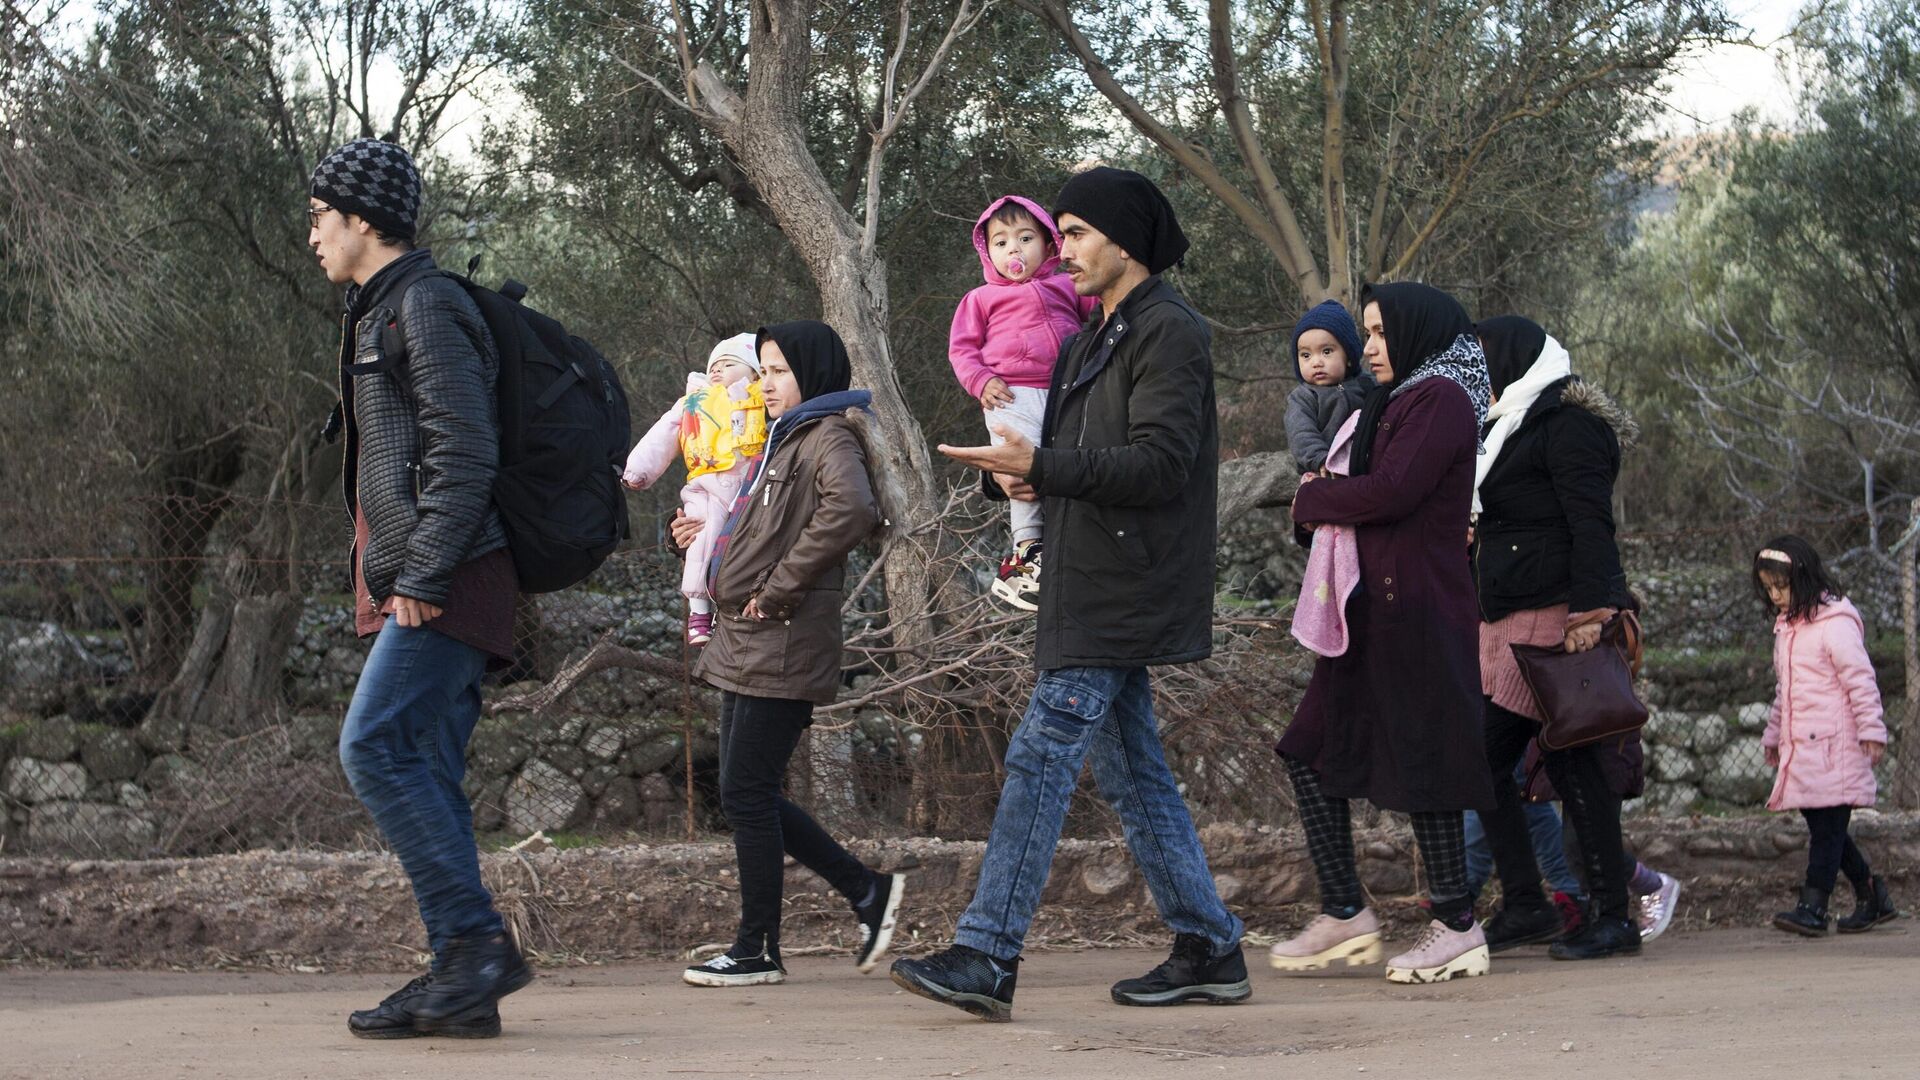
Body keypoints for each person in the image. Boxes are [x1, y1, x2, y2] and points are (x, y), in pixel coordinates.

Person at [892, 167, 1247, 1022]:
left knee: (1041, 756)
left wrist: (1039, 467)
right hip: (1087, 581)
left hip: (1123, 587)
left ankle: (986, 951)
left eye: (1077, 231)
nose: (1062, 247)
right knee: (1134, 775)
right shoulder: (1096, 334)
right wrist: (1009, 483)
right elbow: (1070, 458)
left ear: (1125, 239)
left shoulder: (1170, 332)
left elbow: (1161, 465)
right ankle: (1210, 945)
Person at [309, 139, 530, 1039]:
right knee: (426, 767)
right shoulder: (381, 309)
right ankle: (461, 980)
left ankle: (476, 945)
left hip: (450, 576)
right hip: (429, 578)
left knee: (373, 749)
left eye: (321, 217)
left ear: (363, 219)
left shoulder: (424, 306)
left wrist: (424, 571)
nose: (314, 236)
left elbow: (464, 451)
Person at [1268, 282, 1495, 985]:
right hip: (1369, 612)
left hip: (1418, 613)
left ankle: (1458, 926)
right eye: (1364, 332)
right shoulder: (1393, 399)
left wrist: (1311, 497)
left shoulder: (1441, 399)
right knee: (1308, 750)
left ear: (1417, 330)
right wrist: (1323, 500)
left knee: (1425, 768)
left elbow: (1393, 490)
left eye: (1379, 331)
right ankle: (1344, 910)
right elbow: (1364, 483)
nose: (1367, 347)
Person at [676, 320, 907, 986]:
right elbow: (758, 531)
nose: (766, 382)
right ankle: (865, 892)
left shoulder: (826, 435)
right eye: (763, 370)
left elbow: (852, 509)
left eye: (778, 370)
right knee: (745, 790)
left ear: (812, 372)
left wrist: (778, 591)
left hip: (782, 637)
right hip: (748, 637)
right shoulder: (785, 439)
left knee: (746, 792)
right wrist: (690, 537)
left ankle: (757, 949)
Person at [1468, 315, 1646, 961]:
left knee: (1565, 760)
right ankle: (1531, 905)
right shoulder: (1504, 424)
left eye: (1484, 355)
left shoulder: (1570, 423)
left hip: (1555, 614)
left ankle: (1606, 918)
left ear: (1518, 357)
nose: (1475, 368)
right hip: (1505, 613)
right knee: (1506, 761)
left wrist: (1593, 611)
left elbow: (1591, 522)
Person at [948, 195, 1098, 611]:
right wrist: (981, 380)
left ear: (1049, 244)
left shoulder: (1068, 285)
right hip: (1009, 394)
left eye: (1025, 237)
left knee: (1064, 465)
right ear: (987, 252)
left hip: (1063, 391)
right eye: (1000, 242)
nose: (1013, 249)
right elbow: (962, 350)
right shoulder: (979, 299)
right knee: (1022, 472)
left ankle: (1065, 550)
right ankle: (1027, 554)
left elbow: (1104, 305)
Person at [1753, 537, 1899, 935]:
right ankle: (1873, 896)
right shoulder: (1787, 629)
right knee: (1826, 829)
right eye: (1768, 588)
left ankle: (1813, 906)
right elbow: (1786, 690)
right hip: (1804, 748)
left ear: (1801, 579)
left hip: (1838, 747)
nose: (1775, 595)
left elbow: (1860, 680)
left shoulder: (1835, 624)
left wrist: (1872, 729)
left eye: (1780, 586)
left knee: (1828, 830)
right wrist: (1773, 736)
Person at [622, 333, 768, 645]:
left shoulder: (764, 400)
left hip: (750, 486)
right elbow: (662, 433)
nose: (717, 369)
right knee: (701, 538)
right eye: (714, 364)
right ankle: (699, 611)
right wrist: (636, 471)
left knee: (745, 544)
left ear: (755, 373)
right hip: (706, 486)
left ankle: (737, 608)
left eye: (729, 364)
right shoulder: (692, 403)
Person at [1284, 299, 1372, 474]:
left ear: (1348, 357)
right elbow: (1300, 434)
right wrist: (1320, 459)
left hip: (1366, 466)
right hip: (1323, 470)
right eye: (1306, 355)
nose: (1316, 362)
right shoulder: (1304, 397)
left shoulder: (1367, 385)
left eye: (1326, 352)